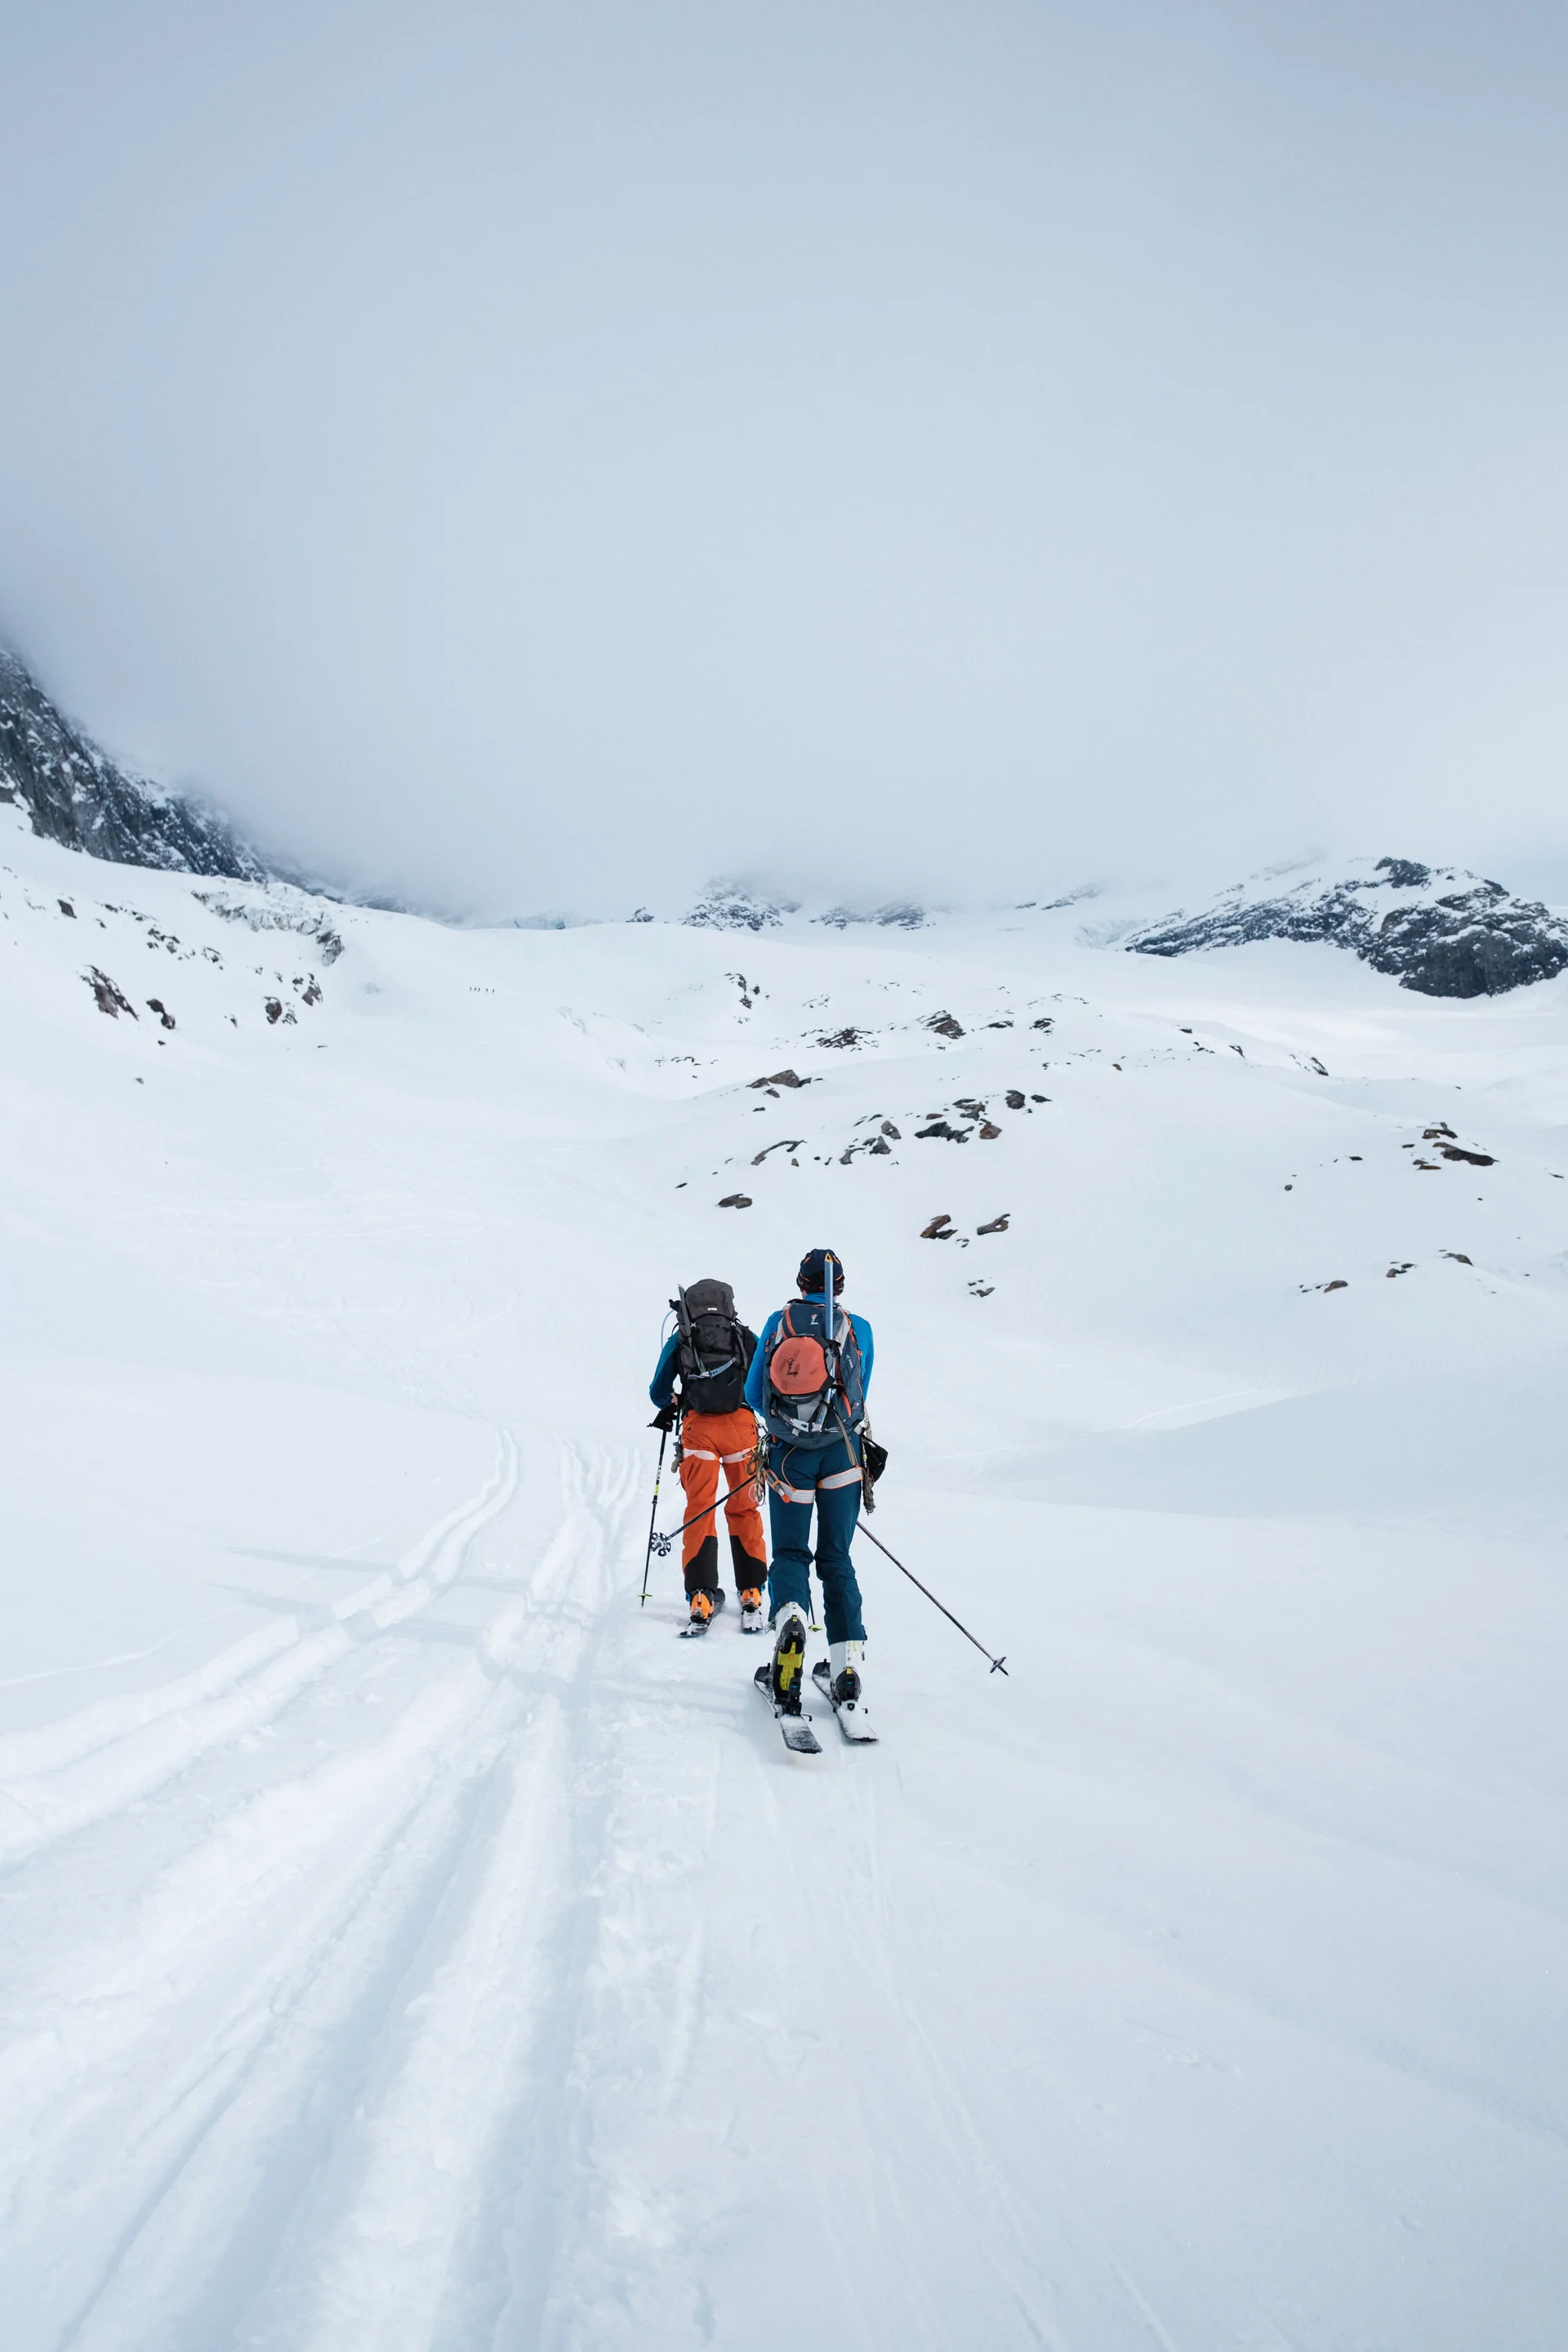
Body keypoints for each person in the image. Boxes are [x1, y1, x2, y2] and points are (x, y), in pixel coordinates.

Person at [745, 1247, 875, 1713]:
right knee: (837, 1558)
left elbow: (753, 1393)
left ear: (801, 1283)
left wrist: (793, 1422)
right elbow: (860, 1391)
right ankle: (846, 1670)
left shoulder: (777, 1323)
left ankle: (791, 1624)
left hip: (789, 1458)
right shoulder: (858, 1327)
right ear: (840, 1286)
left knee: (790, 1553)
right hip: (844, 1455)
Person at [648, 1277, 769, 1631]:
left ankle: (701, 1597)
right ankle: (751, 1592)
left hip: (698, 1429)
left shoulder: (683, 1337)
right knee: (744, 1507)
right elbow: (765, 1380)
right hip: (741, 1429)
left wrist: (672, 1400)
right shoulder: (742, 1335)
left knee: (700, 1508)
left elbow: (657, 1391)